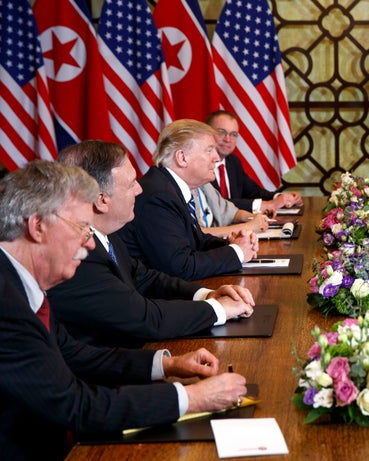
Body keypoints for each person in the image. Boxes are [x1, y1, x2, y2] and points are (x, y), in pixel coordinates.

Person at [0, 161, 248, 460]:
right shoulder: (7, 303)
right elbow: (75, 406)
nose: (90, 242)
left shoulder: (19, 282)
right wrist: (191, 398)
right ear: (38, 226)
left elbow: (76, 354)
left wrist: (167, 365)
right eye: (81, 227)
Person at [48, 141, 255, 348]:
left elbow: (145, 278)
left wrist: (205, 294)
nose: (139, 189)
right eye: (131, 184)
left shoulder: (106, 234)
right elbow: (145, 318)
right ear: (102, 200)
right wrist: (218, 309)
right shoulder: (78, 252)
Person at [119, 119, 259, 280]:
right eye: (209, 150)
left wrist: (230, 244)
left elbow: (195, 241)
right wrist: (237, 252)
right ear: (182, 158)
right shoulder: (158, 196)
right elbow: (180, 267)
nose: (217, 157)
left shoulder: (170, 186)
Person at [206, 110, 303, 215]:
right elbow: (218, 203)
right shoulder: (201, 165)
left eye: (233, 134)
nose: (228, 139)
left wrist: (282, 198)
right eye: (221, 132)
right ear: (207, 133)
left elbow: (253, 192)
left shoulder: (233, 162)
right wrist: (269, 205)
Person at [193, 183, 270, 239]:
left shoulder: (205, 185)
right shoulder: (184, 192)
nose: (216, 160)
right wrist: (249, 226)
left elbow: (233, 213)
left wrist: (255, 217)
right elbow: (199, 233)